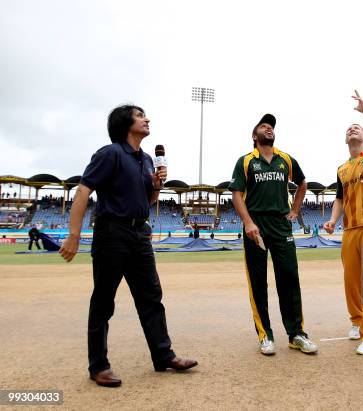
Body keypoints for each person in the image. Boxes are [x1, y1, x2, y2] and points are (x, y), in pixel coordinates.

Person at [59, 105, 197, 388]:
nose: (147, 119)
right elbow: (84, 190)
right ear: (125, 123)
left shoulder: (147, 160)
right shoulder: (110, 154)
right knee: (104, 301)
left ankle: (163, 356)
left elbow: (145, 203)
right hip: (112, 233)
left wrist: (157, 185)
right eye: (140, 115)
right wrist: (74, 234)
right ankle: (98, 366)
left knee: (151, 297)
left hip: (139, 233)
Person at [229, 113, 318, 356]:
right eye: (264, 126)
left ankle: (296, 334)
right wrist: (248, 222)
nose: (269, 129)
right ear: (254, 135)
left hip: (281, 225)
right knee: (258, 282)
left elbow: (302, 183)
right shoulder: (246, 161)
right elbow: (236, 194)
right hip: (255, 227)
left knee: (289, 278)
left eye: (271, 127)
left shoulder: (285, 159)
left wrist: (295, 210)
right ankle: (265, 335)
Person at [324, 90, 363, 355]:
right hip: (349, 230)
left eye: (357, 129)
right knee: (351, 281)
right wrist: (331, 221)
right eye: (350, 128)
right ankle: (357, 321)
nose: (353, 129)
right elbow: (339, 199)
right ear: (346, 139)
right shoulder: (341, 169)